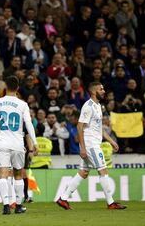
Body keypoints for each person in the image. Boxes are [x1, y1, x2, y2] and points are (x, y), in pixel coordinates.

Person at [56, 82, 126, 210]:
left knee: (83, 172)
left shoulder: (98, 106)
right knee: (103, 170)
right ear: (94, 92)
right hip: (91, 145)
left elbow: (99, 128)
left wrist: (111, 141)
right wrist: (82, 147)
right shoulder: (88, 106)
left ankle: (63, 198)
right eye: (101, 89)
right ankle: (111, 203)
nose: (104, 91)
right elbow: (79, 126)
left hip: (93, 143)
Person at [0, 76, 37, 214]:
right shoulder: (22, 104)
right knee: (18, 174)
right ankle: (18, 206)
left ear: (5, 87)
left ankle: (6, 206)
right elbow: (28, 124)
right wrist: (35, 142)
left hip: (1, 143)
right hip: (18, 143)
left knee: (2, 175)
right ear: (18, 88)